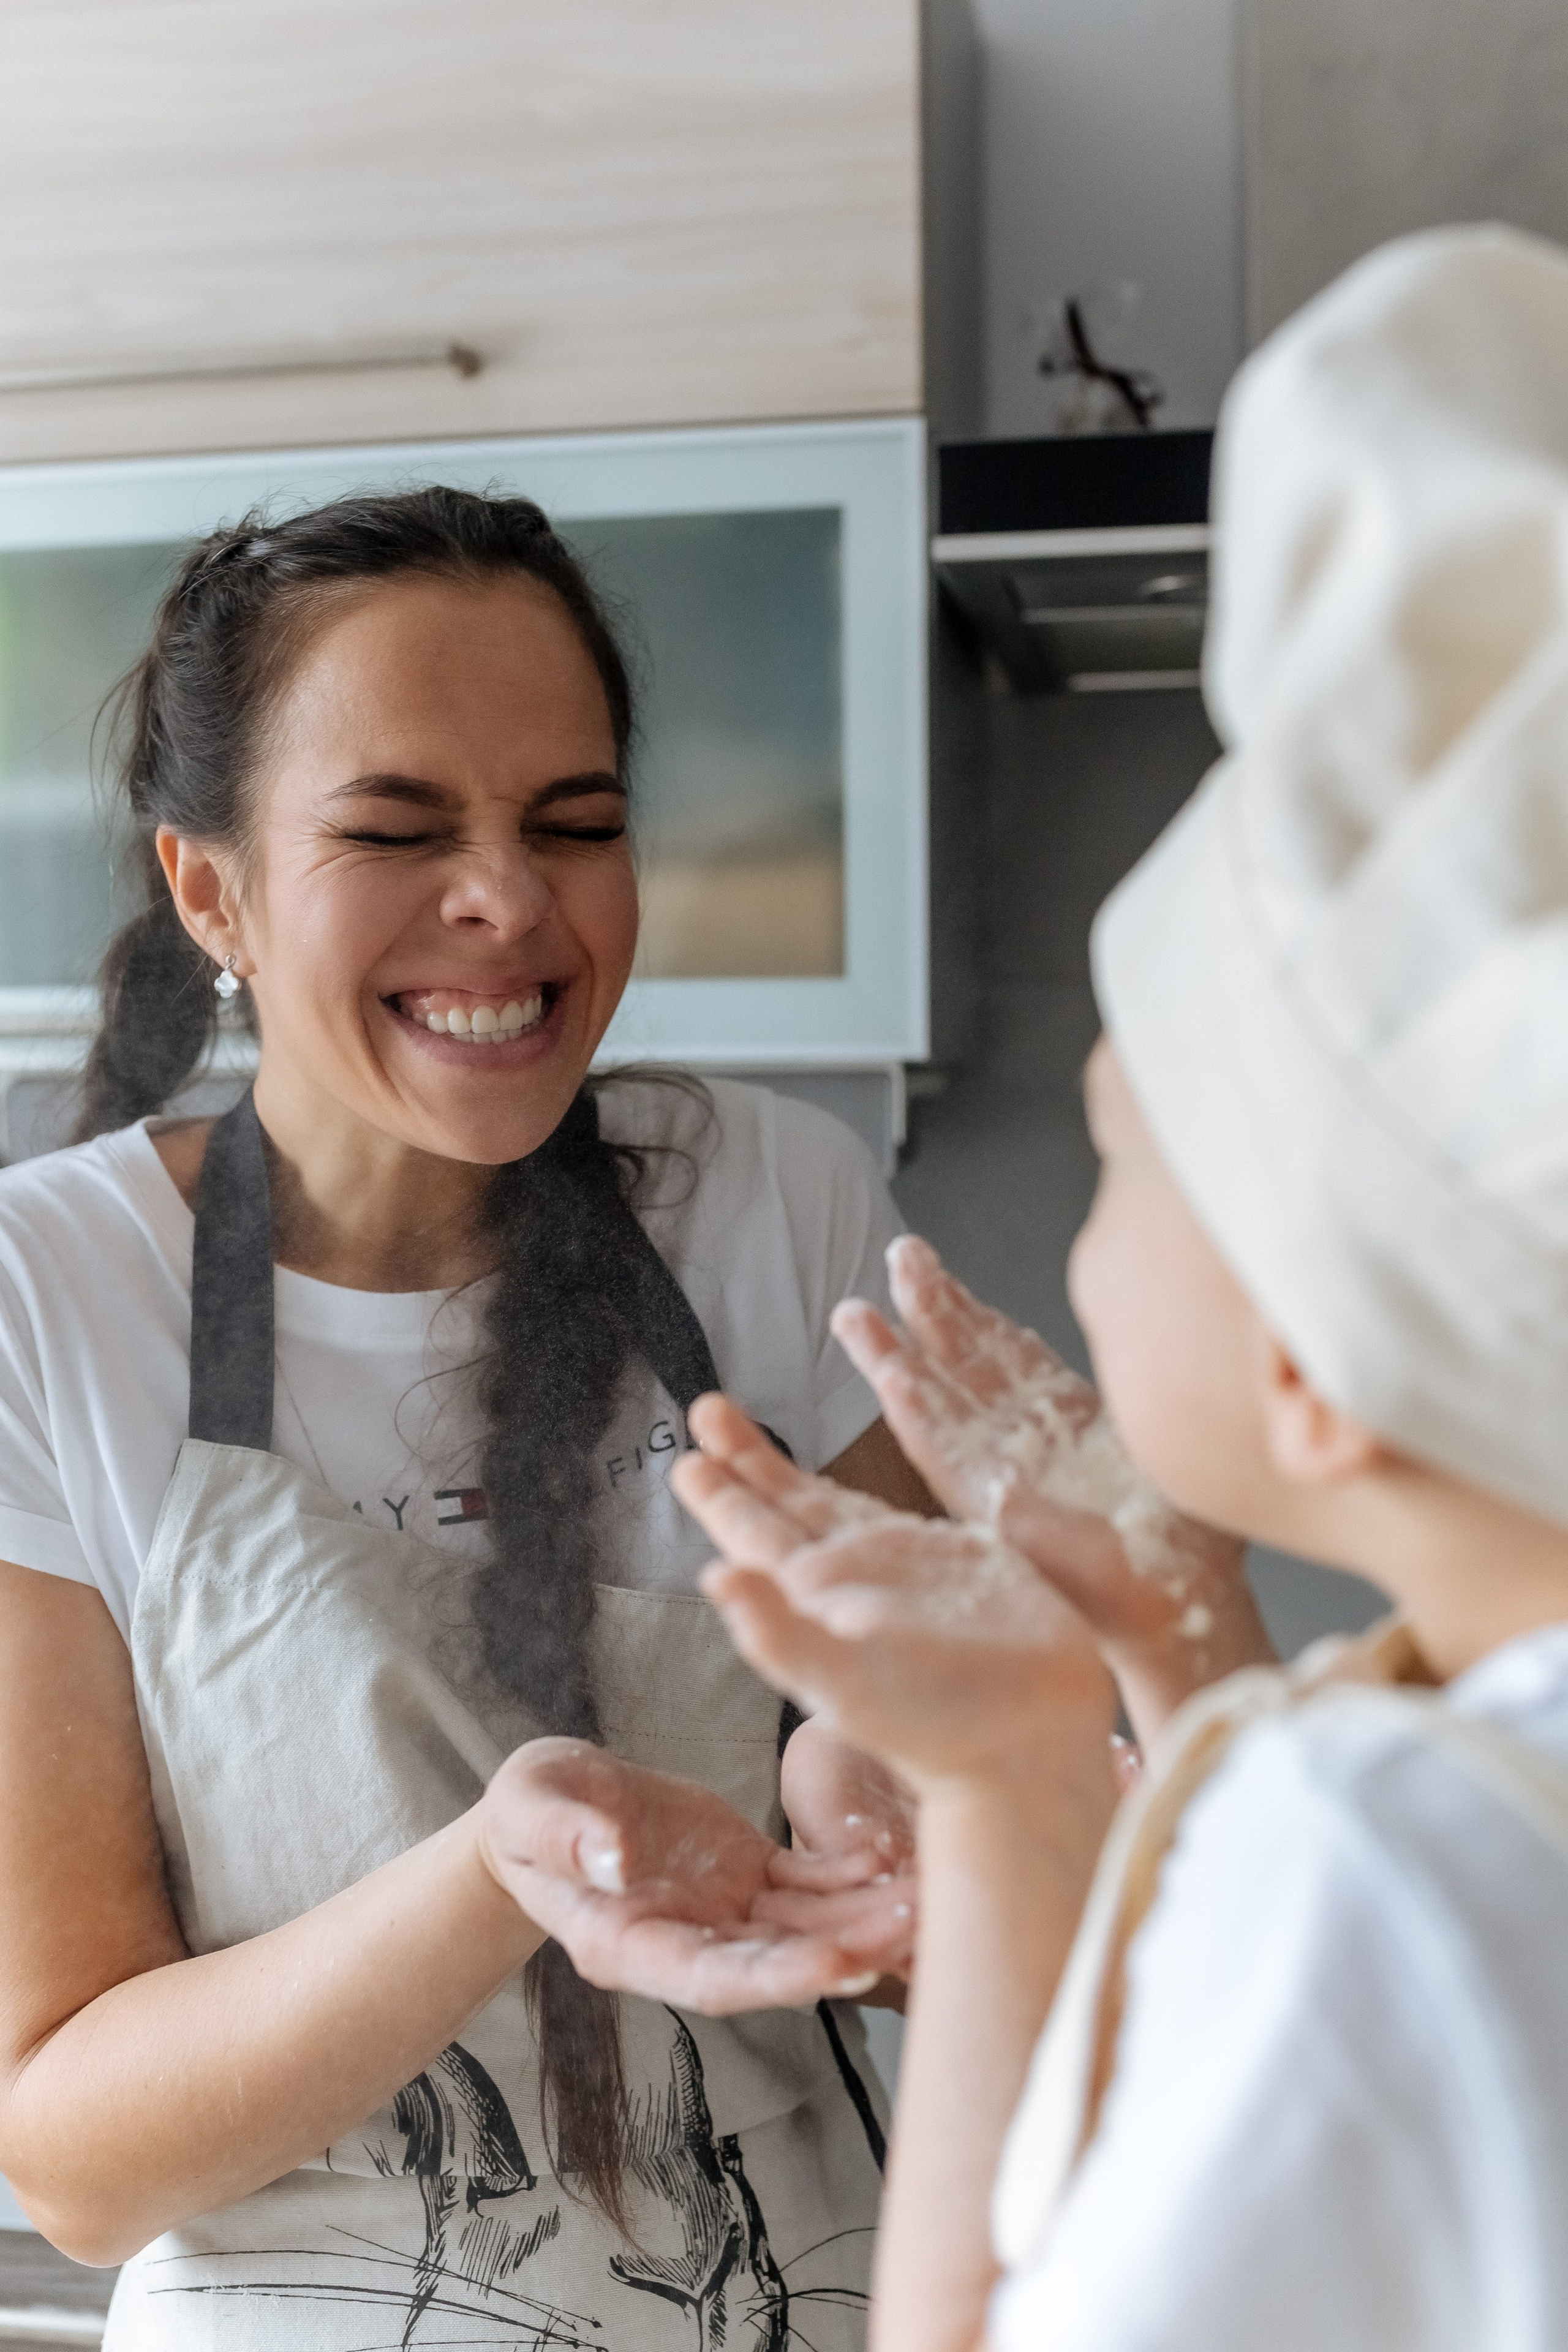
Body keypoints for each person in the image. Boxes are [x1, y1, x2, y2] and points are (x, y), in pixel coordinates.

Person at [617, 224, 1568, 2352]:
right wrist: (1170, 1633)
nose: (1089, 1217)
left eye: (1129, 1157)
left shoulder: (1388, 1856)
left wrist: (1007, 1786)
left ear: (1319, 1366)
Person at [0, 486, 929, 2348]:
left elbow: (938, 1776)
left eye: (575, 823)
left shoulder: (776, 1205)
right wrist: (499, 1872)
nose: (509, 900)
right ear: (214, 891)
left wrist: (896, 1794)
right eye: (397, 830)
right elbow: (78, 2154)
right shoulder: (47, 1299)